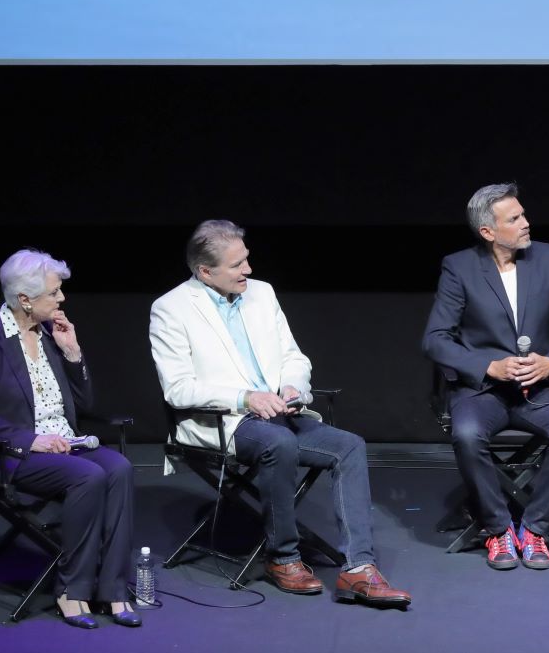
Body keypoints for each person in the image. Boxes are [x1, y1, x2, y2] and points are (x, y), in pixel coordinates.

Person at [149, 220, 410, 608]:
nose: (248, 271)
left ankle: (358, 568)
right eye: (237, 265)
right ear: (205, 272)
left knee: (350, 446)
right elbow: (178, 388)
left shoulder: (262, 294)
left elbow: (293, 356)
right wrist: (244, 397)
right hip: (226, 423)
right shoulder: (170, 309)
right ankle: (283, 557)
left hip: (279, 413)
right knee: (279, 443)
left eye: (247, 260)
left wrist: (293, 386)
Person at [0, 250, 138, 629]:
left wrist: (72, 353)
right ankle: (72, 589)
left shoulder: (51, 334)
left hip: (66, 444)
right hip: (13, 454)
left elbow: (86, 404)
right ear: (25, 299)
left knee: (119, 467)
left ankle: (113, 588)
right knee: (88, 476)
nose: (62, 299)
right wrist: (29, 439)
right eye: (54, 293)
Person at [422, 183, 549, 570]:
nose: (527, 223)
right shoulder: (459, 267)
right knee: (466, 434)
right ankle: (497, 529)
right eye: (515, 219)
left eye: (524, 214)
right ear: (488, 231)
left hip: (539, 389)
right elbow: (435, 339)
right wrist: (487, 365)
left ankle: (534, 528)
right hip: (483, 392)